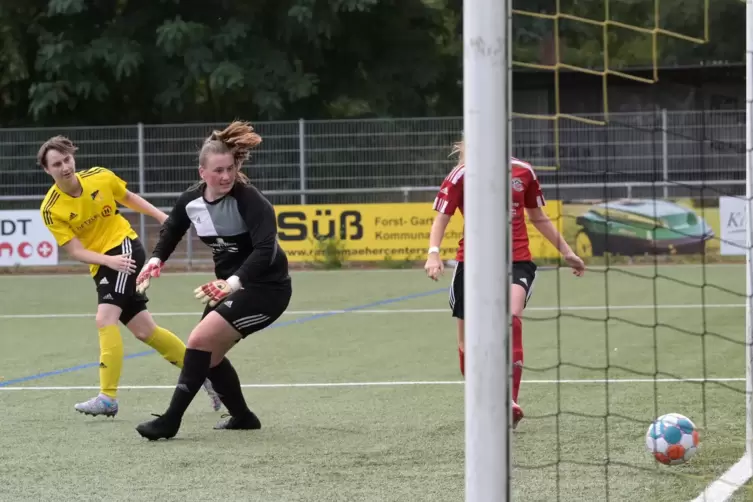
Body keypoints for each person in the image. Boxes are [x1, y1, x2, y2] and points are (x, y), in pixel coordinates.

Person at [38, 135, 221, 417]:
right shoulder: (51, 209)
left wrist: (165, 219)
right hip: (104, 262)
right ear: (47, 170)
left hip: (124, 248)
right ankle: (208, 375)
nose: (64, 167)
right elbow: (75, 250)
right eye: (56, 164)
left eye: (66, 159)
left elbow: (128, 198)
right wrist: (106, 260)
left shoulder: (100, 177)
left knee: (105, 318)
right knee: (144, 330)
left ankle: (107, 398)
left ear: (73, 158)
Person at [133, 120, 292, 441]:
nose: (226, 176)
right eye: (218, 170)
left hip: (267, 290)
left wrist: (231, 283)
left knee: (198, 341)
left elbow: (265, 251)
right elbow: (172, 229)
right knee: (211, 356)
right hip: (229, 287)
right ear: (202, 173)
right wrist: (154, 260)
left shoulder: (251, 201)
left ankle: (170, 421)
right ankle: (244, 417)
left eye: (230, 168)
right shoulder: (192, 200)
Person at [424, 139, 585, 429]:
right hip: (473, 265)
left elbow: (538, 217)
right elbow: (441, 219)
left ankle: (508, 401)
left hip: (516, 261)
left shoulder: (524, 173)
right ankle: (482, 398)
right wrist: (433, 254)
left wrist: (568, 252)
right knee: (467, 341)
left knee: (511, 319)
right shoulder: (461, 175)